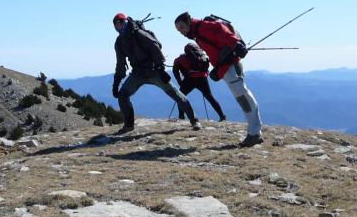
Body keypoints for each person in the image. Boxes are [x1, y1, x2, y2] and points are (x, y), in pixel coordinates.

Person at [174, 12, 263, 146]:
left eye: (181, 27)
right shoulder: (198, 33)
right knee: (243, 98)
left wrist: (236, 44)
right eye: (178, 30)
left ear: (188, 22)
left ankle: (254, 133)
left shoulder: (203, 27)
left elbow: (222, 32)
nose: (181, 32)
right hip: (225, 67)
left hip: (230, 66)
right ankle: (254, 132)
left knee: (243, 98)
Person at [111, 13, 200, 134]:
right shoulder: (120, 41)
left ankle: (194, 120)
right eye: (115, 24)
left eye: (120, 23)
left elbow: (155, 47)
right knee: (123, 96)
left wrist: (161, 69)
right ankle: (129, 126)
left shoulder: (138, 34)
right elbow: (120, 63)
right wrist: (116, 82)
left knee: (176, 94)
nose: (118, 26)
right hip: (138, 72)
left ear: (125, 22)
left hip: (154, 70)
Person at [173, 43, 226, 122]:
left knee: (180, 97)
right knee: (210, 97)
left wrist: (179, 81)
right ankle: (222, 116)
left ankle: (181, 117)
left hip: (189, 80)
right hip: (202, 79)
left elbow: (175, 70)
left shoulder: (180, 58)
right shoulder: (202, 56)